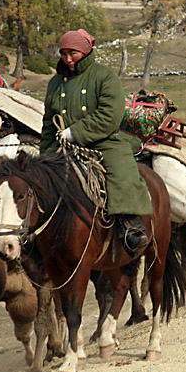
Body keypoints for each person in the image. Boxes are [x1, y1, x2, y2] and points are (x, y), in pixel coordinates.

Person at [40, 29, 152, 256]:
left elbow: (110, 116)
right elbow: (48, 123)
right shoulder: (55, 83)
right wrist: (45, 155)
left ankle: (131, 222)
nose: (68, 59)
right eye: (63, 54)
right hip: (62, 145)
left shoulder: (104, 76)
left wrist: (76, 133)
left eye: (73, 53)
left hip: (102, 141)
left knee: (121, 169)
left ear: (86, 51)